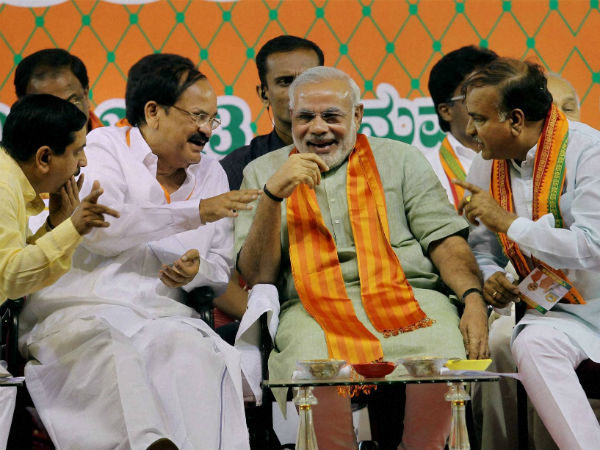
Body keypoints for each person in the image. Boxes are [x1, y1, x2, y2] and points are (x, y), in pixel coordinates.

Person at [235, 66, 489, 450]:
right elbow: (258, 275)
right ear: (289, 117)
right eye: (305, 117)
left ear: (357, 115)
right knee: (309, 354)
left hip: (412, 297)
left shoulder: (402, 159)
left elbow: (445, 241)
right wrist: (273, 196)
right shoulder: (263, 173)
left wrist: (472, 298)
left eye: (331, 116)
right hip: (311, 308)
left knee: (443, 341)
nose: (318, 128)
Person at [18, 54, 260, 450]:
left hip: (164, 316)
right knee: (111, 352)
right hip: (83, 311)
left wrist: (195, 271)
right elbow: (101, 228)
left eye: (213, 119)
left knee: (193, 350)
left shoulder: (212, 174)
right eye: (198, 116)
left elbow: (219, 269)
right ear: (153, 112)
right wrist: (195, 212)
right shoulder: (102, 147)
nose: (207, 130)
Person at [456, 57, 600, 450]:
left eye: (479, 119)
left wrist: (510, 223)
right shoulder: (486, 165)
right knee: (531, 342)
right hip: (561, 314)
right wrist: (491, 276)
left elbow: (592, 247)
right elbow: (481, 247)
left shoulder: (589, 152)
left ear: (516, 120)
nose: (470, 131)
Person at [0, 94, 118, 450]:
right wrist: (73, 228)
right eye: (77, 151)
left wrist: (55, 225)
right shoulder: (3, 187)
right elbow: (9, 277)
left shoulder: (9, 180)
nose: (83, 162)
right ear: (44, 158)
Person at [215, 35, 324, 342]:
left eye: (310, 80)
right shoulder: (236, 169)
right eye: (286, 82)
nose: (299, 92)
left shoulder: (368, 158)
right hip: (281, 312)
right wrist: (267, 320)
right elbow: (216, 272)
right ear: (263, 93)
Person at [427, 45, 498, 209]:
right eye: (476, 94)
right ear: (446, 111)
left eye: (497, 92)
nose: (493, 102)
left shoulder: (523, 157)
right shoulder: (425, 171)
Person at [14, 48, 104, 131]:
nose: (63, 119)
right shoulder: (10, 143)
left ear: (86, 95)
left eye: (71, 103)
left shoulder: (111, 141)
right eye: (47, 109)